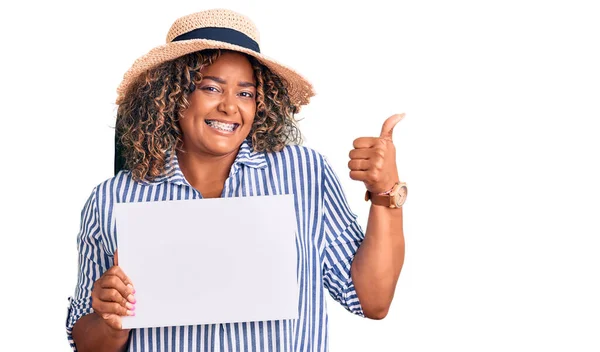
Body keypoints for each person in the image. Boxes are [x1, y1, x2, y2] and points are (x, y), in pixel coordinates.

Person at [66, 8, 407, 352]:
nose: (230, 107)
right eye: (211, 87)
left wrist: (385, 195)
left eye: (245, 93)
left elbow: (372, 302)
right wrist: (110, 323)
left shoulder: (304, 174)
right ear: (171, 95)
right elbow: (86, 342)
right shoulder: (113, 199)